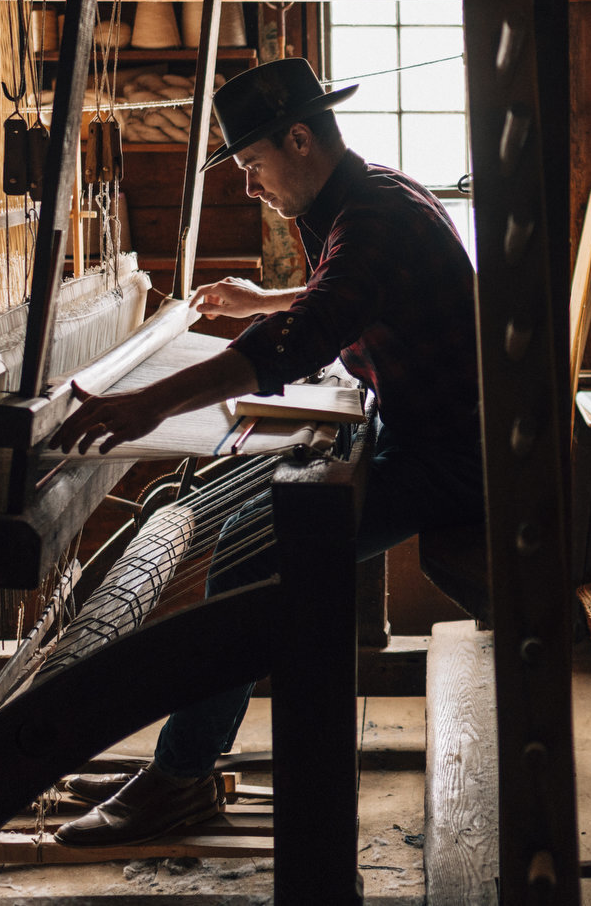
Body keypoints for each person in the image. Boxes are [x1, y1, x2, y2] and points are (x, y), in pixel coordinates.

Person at [47, 56, 483, 847]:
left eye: (252, 164)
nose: (248, 186)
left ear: (300, 139)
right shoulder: (372, 193)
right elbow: (344, 296)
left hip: (455, 463)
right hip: (427, 437)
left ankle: (181, 781)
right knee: (246, 533)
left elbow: (305, 335)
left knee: (253, 554)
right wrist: (269, 295)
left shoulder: (370, 218)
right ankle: (189, 757)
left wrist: (145, 405)